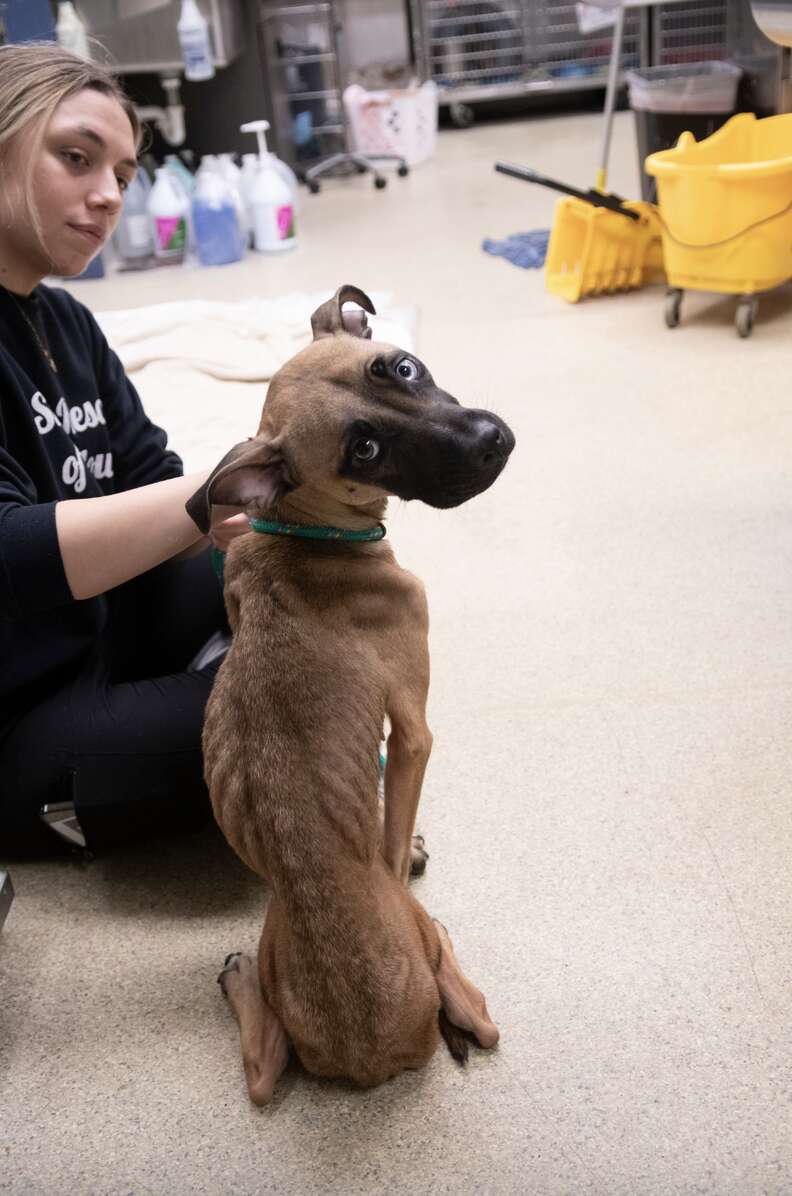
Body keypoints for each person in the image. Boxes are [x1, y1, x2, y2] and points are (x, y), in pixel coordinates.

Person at [0, 44, 249, 857]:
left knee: (316, 594)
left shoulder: (63, 320)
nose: (107, 196)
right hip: (17, 714)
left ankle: (219, 677)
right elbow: (13, 556)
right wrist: (208, 495)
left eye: (124, 175)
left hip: (92, 633)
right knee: (284, 715)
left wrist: (243, 520)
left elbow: (150, 477)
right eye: (76, 159)